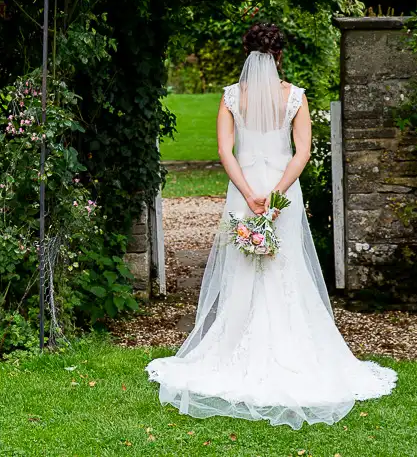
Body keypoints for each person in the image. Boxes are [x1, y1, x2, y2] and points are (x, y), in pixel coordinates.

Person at [146, 22, 397, 429]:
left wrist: (249, 194)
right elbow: (303, 152)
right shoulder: (294, 97)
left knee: (243, 267)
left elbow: (226, 152)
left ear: (247, 54)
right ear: (279, 55)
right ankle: (294, 350)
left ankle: (233, 349)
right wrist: (277, 194)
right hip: (284, 190)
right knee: (286, 267)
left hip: (244, 189)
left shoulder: (231, 97)